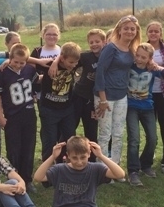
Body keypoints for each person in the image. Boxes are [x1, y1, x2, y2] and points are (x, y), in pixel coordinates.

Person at [94, 15, 141, 177]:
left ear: (136, 32)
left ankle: (115, 169)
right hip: (105, 97)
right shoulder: (111, 48)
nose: (129, 31)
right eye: (126, 28)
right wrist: (102, 99)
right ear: (119, 30)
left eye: (132, 29)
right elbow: (100, 72)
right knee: (105, 134)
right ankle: (102, 170)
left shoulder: (132, 50)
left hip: (122, 96)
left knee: (118, 134)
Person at [49, 29, 106, 161]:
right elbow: (66, 57)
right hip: (78, 97)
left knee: (91, 132)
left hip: (93, 100)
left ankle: (91, 162)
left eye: (97, 41)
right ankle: (61, 158)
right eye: (91, 42)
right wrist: (55, 62)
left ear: (104, 42)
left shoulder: (108, 57)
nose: (94, 44)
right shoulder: (86, 57)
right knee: (69, 130)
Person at [0, 43, 39, 190]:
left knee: (29, 147)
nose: (18, 65)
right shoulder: (2, 72)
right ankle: (15, 178)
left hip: (29, 114)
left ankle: (27, 179)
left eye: (22, 63)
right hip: (12, 117)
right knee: (13, 149)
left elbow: (36, 84)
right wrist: (0, 116)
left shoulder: (30, 70)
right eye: (15, 62)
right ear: (10, 58)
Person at [38, 42, 81, 162]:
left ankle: (66, 163)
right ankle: (47, 167)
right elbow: (26, 59)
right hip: (49, 109)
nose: (74, 65)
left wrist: (56, 60)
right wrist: (54, 62)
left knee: (69, 138)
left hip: (67, 109)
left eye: (76, 62)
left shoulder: (74, 61)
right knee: (50, 140)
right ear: (63, 58)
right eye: (71, 62)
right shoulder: (48, 65)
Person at [126, 43, 158, 186]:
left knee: (153, 138)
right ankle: (133, 171)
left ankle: (145, 164)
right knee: (134, 139)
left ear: (150, 59)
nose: (139, 59)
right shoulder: (129, 66)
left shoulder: (152, 69)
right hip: (131, 107)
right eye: (137, 55)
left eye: (143, 57)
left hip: (147, 107)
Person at [145, 21, 164, 146]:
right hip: (147, 92)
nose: (153, 33)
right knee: (150, 125)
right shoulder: (142, 48)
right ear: (147, 33)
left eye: (156, 31)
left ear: (160, 33)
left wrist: (159, 68)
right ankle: (151, 149)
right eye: (150, 31)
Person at [31, 23, 61, 99]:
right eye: (48, 34)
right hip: (42, 91)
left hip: (60, 90)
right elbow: (30, 70)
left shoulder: (62, 50)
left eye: (54, 34)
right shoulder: (37, 51)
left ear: (58, 36)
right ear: (43, 35)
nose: (51, 37)